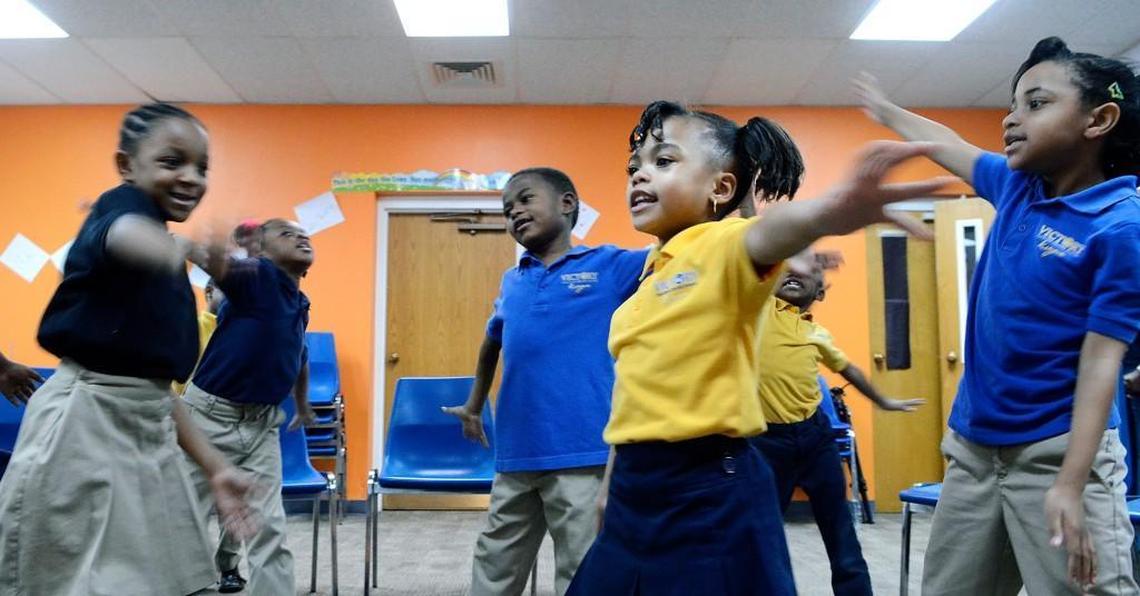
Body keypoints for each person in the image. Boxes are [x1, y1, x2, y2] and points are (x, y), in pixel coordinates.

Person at [567, 100, 950, 595]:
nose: (639, 176)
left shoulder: (721, 244)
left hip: (707, 487)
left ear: (720, 188)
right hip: (636, 486)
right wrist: (609, 487)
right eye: (633, 166)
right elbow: (635, 395)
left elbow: (767, 233)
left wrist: (835, 209)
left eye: (663, 161)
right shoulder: (649, 274)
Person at [857, 36, 1140, 594]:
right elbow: (946, 142)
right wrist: (888, 111)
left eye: (1036, 103)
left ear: (1099, 119)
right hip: (973, 452)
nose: (1012, 118)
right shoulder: (1015, 188)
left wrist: (1070, 483)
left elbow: (1101, 364)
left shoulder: (1120, 225)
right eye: (1013, 104)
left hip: (1059, 455)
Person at [0, 102, 255, 595]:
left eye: (202, 168)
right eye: (171, 161)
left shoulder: (158, 254)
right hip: (83, 429)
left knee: (176, 579)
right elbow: (125, 237)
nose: (191, 178)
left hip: (147, 435)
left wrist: (218, 468)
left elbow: (158, 391)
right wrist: (185, 250)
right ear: (126, 166)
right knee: (76, 581)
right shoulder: (123, 209)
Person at [444, 167, 647, 595]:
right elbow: (492, 340)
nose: (514, 211)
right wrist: (474, 403)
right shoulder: (513, 279)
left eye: (525, 199)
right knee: (495, 562)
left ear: (567, 204)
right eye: (507, 209)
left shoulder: (609, 266)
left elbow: (677, 252)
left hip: (582, 452)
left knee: (580, 565)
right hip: (517, 456)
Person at [750, 248, 922, 595]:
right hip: (766, 443)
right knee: (762, 536)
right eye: (787, 269)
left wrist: (884, 400)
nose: (795, 274)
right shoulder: (758, 312)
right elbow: (757, 249)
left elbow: (850, 371)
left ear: (821, 293)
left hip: (816, 440)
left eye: (809, 274)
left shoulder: (818, 336)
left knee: (841, 532)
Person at [182, 218, 316, 595]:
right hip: (207, 419)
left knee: (268, 528)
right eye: (287, 235)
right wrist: (193, 247)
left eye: (304, 235)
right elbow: (214, 264)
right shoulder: (258, 277)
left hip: (261, 427)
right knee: (183, 519)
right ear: (260, 250)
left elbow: (299, 356)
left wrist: (302, 405)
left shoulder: (298, 301)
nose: (301, 239)